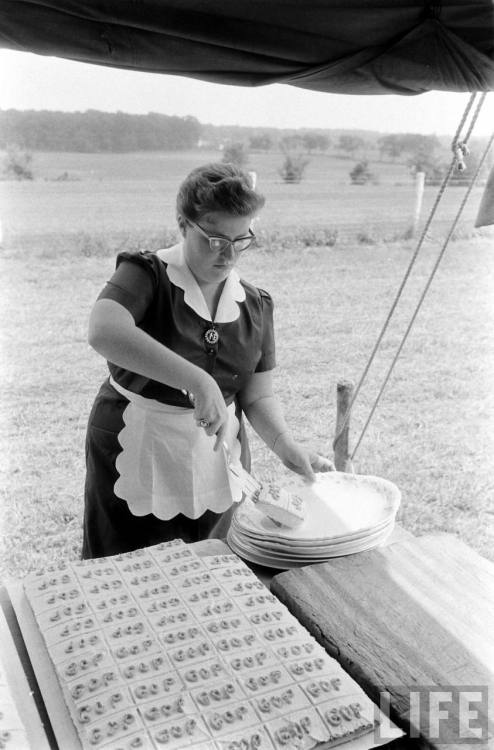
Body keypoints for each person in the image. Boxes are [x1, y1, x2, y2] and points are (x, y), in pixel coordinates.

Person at [82, 162, 332, 558]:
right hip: (138, 447)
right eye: (214, 239)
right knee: (129, 572)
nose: (228, 254)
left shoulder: (255, 305)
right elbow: (104, 330)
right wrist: (199, 381)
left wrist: (285, 445)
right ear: (183, 225)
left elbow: (258, 397)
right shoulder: (147, 274)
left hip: (216, 458)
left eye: (241, 239)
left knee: (214, 567)